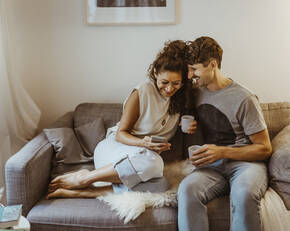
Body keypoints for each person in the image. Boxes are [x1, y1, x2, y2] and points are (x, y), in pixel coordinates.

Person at [47, 40, 195, 199]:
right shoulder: (143, 91)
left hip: (140, 161)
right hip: (115, 151)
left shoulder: (180, 100)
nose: (169, 88)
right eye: (164, 82)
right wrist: (143, 143)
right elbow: (120, 134)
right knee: (155, 163)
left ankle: (87, 192)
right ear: (156, 74)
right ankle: (84, 178)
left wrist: (190, 125)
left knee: (161, 184)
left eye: (176, 83)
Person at [177, 36, 272, 231]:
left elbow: (264, 148)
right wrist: (190, 125)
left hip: (246, 165)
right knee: (187, 190)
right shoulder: (195, 92)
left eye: (194, 69)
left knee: (244, 193)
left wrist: (222, 152)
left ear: (213, 65)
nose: (189, 75)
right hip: (212, 166)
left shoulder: (244, 98)